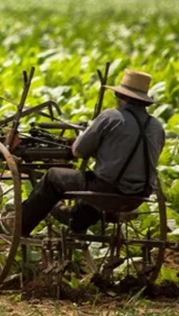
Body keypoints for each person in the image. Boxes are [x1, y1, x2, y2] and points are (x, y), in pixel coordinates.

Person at [20, 69, 166, 236]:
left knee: (53, 176)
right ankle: (75, 220)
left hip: (107, 190)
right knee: (96, 188)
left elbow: (78, 151)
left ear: (120, 96)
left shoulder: (111, 117)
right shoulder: (157, 127)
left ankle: (20, 225)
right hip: (139, 195)